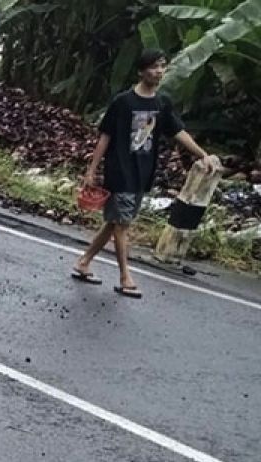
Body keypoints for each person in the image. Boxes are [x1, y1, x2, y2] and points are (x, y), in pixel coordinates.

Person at [71, 49, 211, 298]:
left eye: (162, 66)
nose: (158, 71)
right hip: (120, 171)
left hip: (143, 173)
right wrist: (91, 170)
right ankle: (125, 277)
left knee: (114, 222)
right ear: (141, 71)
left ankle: (83, 262)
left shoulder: (162, 104)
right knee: (122, 226)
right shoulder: (123, 102)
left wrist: (203, 155)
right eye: (154, 66)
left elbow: (179, 133)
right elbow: (105, 137)